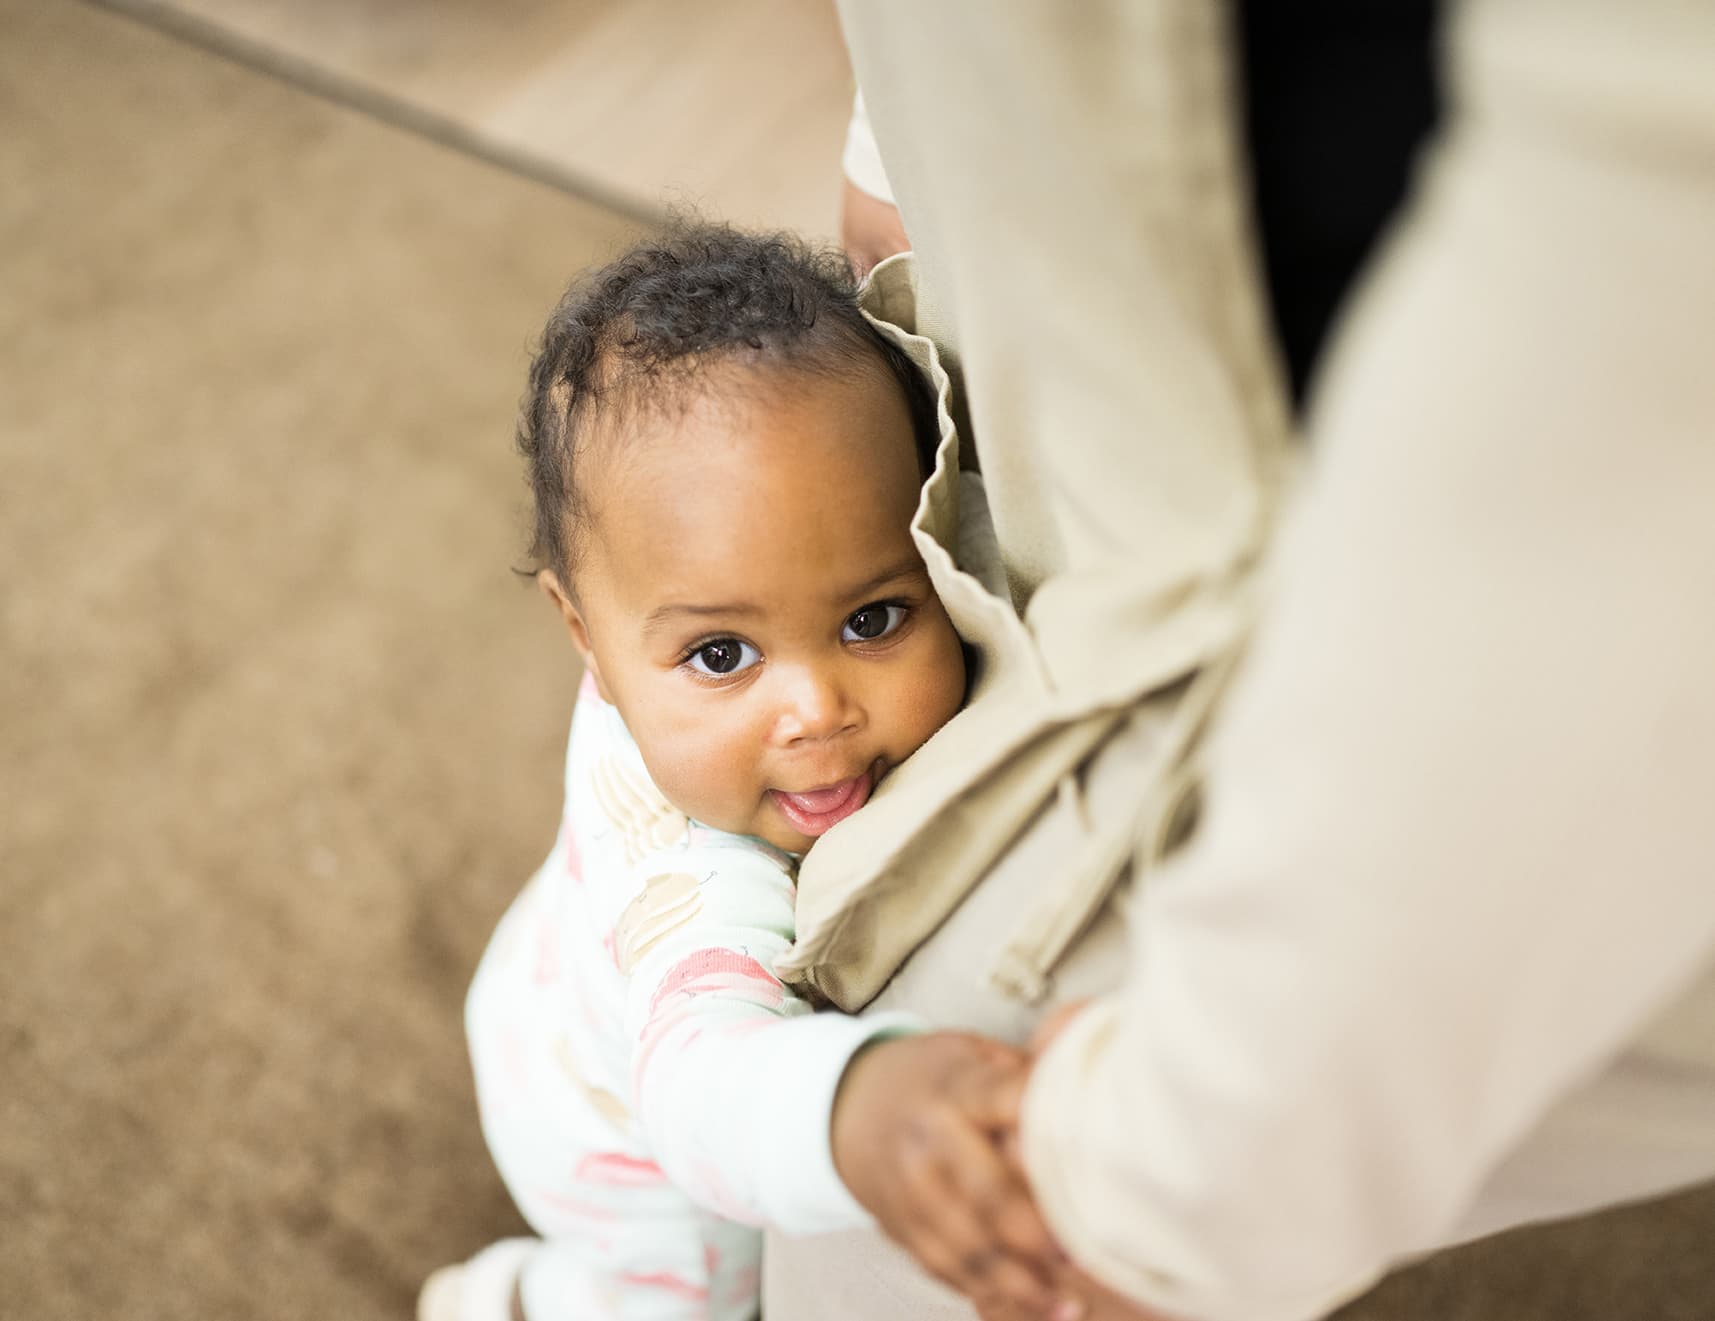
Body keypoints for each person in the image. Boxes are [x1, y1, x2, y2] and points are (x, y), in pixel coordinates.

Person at [766, 3, 1715, 1320]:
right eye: (714, 652)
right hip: (1158, 402)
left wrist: (1157, 1202)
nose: (809, 711)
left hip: (1504, 626)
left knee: (921, 1202)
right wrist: (907, 118)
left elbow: (1610, 455)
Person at [417, 222, 1075, 1321]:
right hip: (614, 1147)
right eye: (723, 654)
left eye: (873, 616)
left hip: (546, 979)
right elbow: (697, 1089)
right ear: (586, 636)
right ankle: (511, 1299)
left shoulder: (658, 664)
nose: (815, 709)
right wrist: (854, 1103)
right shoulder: (701, 885)